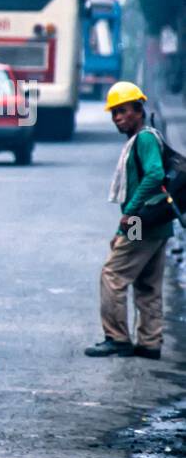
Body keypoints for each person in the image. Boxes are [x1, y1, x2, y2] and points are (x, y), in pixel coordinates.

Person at [85, 82, 171, 359]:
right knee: (147, 282)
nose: (118, 118)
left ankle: (117, 337)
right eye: (114, 113)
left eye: (123, 111)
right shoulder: (144, 138)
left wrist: (128, 216)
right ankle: (149, 342)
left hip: (141, 221)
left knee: (113, 274)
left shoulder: (144, 139)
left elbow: (155, 174)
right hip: (157, 222)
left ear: (138, 109)